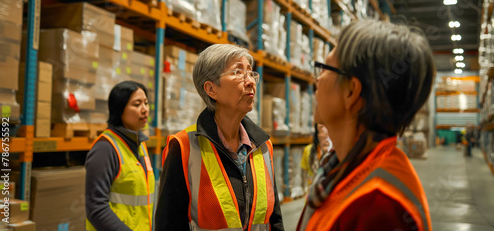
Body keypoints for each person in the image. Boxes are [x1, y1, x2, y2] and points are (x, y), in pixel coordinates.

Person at [297, 20, 435, 231]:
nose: (317, 80)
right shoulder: (338, 170)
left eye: (324, 68)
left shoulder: (382, 207)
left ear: (351, 92)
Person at [156, 44, 284, 231]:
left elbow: (275, 220)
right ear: (211, 89)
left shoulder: (263, 146)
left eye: (250, 73)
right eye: (238, 72)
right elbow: (169, 223)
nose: (250, 81)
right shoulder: (184, 147)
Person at [85, 81, 155, 231]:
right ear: (119, 109)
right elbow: (96, 209)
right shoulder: (105, 149)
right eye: (136, 104)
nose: (144, 110)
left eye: (146, 103)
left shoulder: (140, 144)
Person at [301, 123, 332, 187]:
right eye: (321, 129)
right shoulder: (308, 150)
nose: (324, 133)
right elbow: (304, 173)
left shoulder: (333, 151)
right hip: (311, 189)